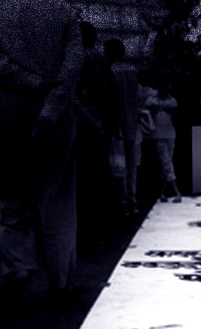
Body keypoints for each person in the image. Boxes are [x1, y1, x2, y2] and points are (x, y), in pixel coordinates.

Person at [0, 0, 84, 304]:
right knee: (57, 196)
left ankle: (18, 267)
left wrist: (30, 80)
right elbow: (73, 65)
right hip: (56, 108)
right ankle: (60, 278)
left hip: (8, 104)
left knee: (11, 191)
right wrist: (51, 108)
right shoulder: (62, 11)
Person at [74, 21, 117, 242]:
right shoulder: (99, 61)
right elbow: (111, 95)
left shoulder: (77, 61)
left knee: (84, 180)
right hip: (100, 124)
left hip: (83, 124)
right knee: (98, 177)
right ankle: (100, 227)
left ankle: (86, 229)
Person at [104, 37, 141, 215]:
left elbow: (111, 100)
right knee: (132, 165)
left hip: (117, 124)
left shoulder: (110, 71)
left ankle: (122, 200)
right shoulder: (133, 71)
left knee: (118, 165)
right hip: (133, 124)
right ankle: (132, 199)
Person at [142, 72, 182, 202]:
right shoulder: (151, 100)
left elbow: (176, 117)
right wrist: (155, 109)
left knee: (167, 163)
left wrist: (166, 108)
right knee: (166, 162)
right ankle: (176, 191)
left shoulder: (172, 100)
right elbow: (146, 115)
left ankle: (161, 193)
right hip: (157, 135)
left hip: (170, 134)